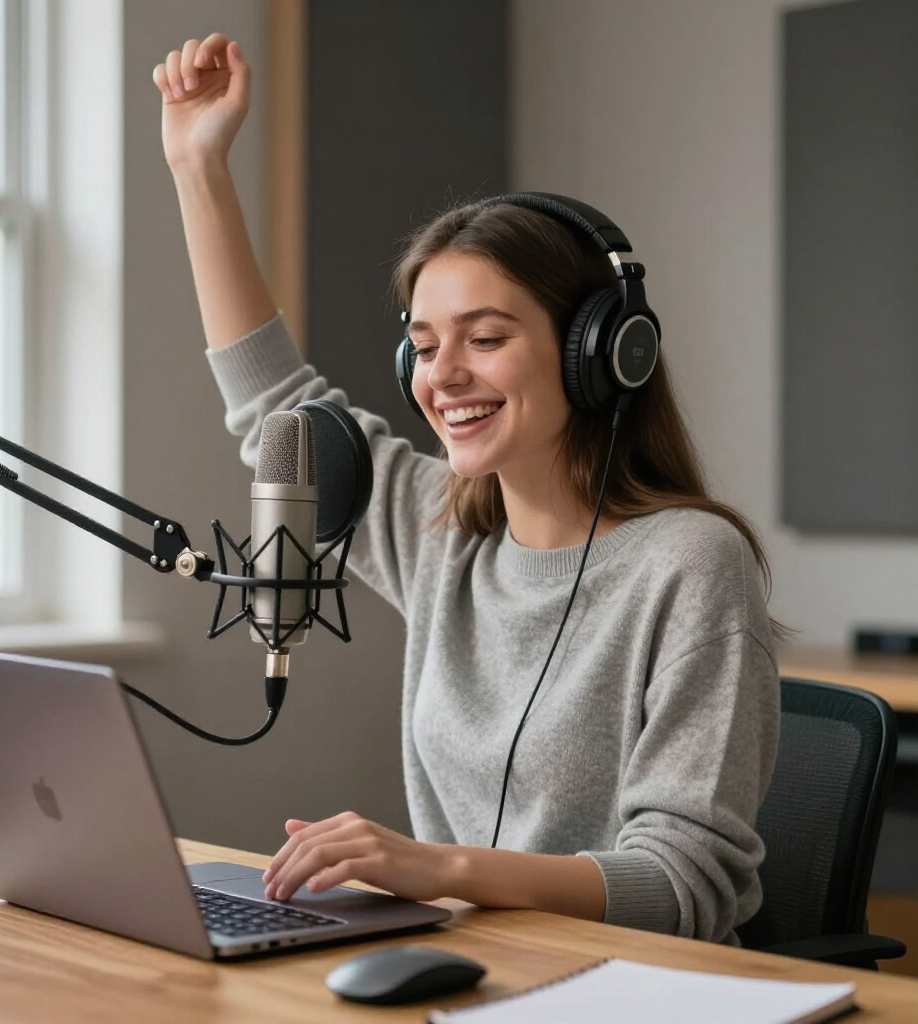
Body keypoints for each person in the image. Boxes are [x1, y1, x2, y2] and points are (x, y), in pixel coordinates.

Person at [153, 33, 781, 944]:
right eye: (425, 342)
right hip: (468, 967)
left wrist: (439, 870)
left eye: (485, 338)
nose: (443, 375)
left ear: (602, 353)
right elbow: (279, 418)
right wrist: (197, 165)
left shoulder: (689, 565)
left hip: (632, 988)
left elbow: (686, 887)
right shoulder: (444, 533)